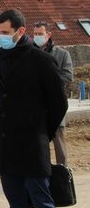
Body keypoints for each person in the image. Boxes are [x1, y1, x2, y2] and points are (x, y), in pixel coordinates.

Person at [0, 10, 68, 208]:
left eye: (4, 32)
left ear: (20, 31)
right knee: (17, 207)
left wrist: (42, 132)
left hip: (33, 143)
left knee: (44, 205)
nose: (1, 37)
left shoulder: (41, 61)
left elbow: (59, 103)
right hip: (7, 144)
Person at [33, 21, 74, 165]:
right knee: (37, 145)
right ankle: (41, 173)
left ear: (48, 35)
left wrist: (49, 85)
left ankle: (63, 174)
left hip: (55, 105)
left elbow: (68, 76)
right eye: (35, 34)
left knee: (59, 144)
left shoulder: (62, 54)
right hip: (36, 107)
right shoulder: (30, 54)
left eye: (40, 34)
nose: (37, 37)